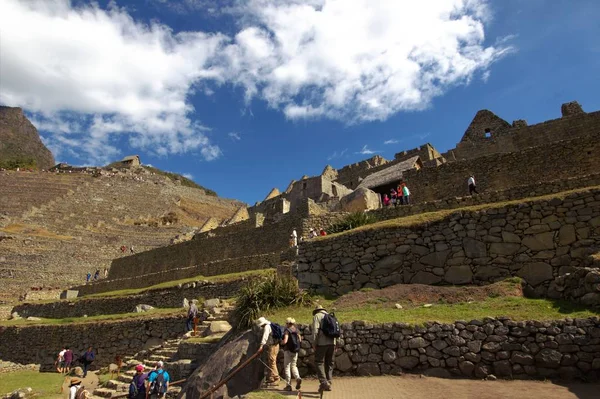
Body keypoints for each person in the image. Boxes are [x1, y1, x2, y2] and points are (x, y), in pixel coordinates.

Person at [312, 304, 336, 392]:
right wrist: (335, 344)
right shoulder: (330, 316)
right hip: (332, 343)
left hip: (322, 343)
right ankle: (328, 381)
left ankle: (324, 382)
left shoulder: (317, 316)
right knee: (330, 362)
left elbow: (315, 331)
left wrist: (314, 343)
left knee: (319, 362)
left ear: (316, 311)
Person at [256, 317, 280, 385]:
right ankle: (271, 378)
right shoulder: (270, 325)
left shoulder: (267, 327)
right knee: (270, 361)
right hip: (274, 345)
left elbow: (265, 336)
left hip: (273, 346)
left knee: (272, 362)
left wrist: (261, 345)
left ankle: (276, 378)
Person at [280, 317, 302, 392]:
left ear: (288, 324)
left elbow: (285, 341)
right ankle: (297, 377)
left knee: (287, 367)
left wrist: (281, 342)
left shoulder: (287, 330)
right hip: (295, 351)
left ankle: (288, 386)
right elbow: (300, 339)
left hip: (288, 351)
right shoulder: (296, 330)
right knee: (294, 366)